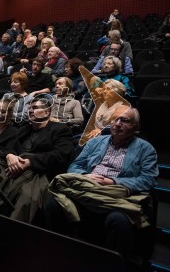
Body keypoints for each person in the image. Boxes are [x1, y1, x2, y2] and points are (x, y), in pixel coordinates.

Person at [45, 107, 158, 258]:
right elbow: (75, 166)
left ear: (135, 127)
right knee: (54, 204)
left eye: (124, 120)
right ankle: (57, 255)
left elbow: (148, 179)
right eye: (115, 119)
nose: (117, 124)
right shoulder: (95, 142)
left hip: (115, 196)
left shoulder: (146, 149)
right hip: (87, 188)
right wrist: (86, 175)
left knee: (119, 221)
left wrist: (113, 181)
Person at [0, 95, 73, 241]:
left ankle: (11, 242)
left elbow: (60, 156)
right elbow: (9, 148)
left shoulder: (59, 129)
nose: (30, 111)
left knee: (27, 198)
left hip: (38, 173)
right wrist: (10, 156)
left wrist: (29, 162)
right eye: (29, 108)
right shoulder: (23, 129)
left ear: (47, 112)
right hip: (12, 168)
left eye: (35, 108)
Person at [80, 77, 131, 146]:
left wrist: (101, 130)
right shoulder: (101, 105)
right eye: (104, 89)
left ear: (117, 92)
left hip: (112, 139)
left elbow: (120, 128)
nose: (104, 91)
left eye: (108, 89)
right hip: (95, 135)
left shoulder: (124, 108)